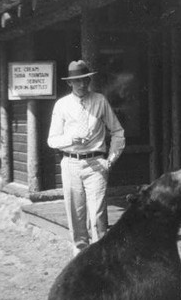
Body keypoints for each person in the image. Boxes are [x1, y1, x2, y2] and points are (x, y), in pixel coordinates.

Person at [48, 60, 125, 256]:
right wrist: (71, 138)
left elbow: (117, 131)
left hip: (96, 164)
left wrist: (110, 159)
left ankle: (101, 257)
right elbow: (52, 140)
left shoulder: (100, 100)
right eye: (77, 81)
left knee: (98, 213)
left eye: (85, 80)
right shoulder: (62, 105)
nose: (82, 85)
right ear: (69, 83)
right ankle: (80, 256)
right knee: (76, 213)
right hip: (71, 162)